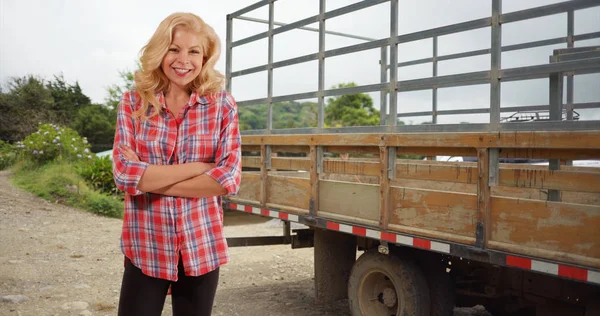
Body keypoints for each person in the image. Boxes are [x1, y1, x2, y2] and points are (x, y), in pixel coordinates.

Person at [111, 12, 241, 316]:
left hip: (201, 244)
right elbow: (123, 174)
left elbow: (228, 179)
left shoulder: (222, 105)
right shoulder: (133, 103)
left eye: (194, 51)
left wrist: (148, 178)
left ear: (205, 57)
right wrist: (200, 167)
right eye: (174, 49)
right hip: (146, 245)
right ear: (160, 51)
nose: (184, 60)